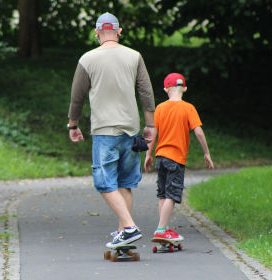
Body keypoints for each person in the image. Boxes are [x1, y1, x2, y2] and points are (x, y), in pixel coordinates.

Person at [67, 12, 156, 248]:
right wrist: (150, 125)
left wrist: (73, 125)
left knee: (105, 183)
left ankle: (128, 227)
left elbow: (77, 98)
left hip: (105, 131)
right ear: (119, 31)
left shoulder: (87, 59)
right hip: (130, 131)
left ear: (97, 32)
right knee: (124, 183)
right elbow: (146, 94)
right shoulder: (134, 56)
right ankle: (123, 235)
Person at [144, 73, 214, 240]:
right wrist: (206, 153)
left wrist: (148, 154)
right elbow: (198, 132)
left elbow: (153, 133)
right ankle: (161, 230)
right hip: (176, 159)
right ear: (185, 88)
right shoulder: (188, 108)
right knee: (172, 195)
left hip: (160, 157)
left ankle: (164, 227)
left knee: (163, 194)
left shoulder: (160, 108)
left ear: (166, 89)